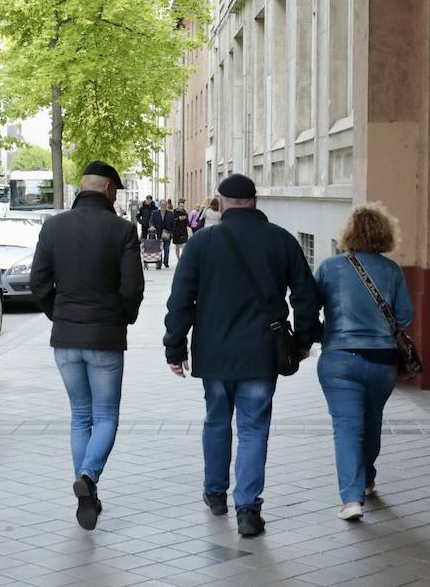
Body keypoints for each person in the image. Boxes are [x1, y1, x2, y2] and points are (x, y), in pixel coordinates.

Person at [163, 174, 319, 537]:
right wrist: (304, 339)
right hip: (262, 353)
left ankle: (216, 493)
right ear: (255, 200)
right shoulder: (281, 240)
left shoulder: (202, 243)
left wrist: (175, 347)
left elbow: (180, 300)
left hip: (215, 353)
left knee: (216, 419)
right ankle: (248, 509)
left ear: (220, 202)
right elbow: (306, 295)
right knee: (253, 428)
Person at [29, 160, 144, 531]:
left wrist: (57, 315)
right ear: (109, 189)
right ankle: (89, 478)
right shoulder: (123, 229)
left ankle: (88, 495)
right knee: (106, 415)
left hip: (65, 338)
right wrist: (122, 317)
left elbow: (38, 283)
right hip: (105, 338)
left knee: (81, 414)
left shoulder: (52, 227)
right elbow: (133, 288)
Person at [311, 203, 414, 521]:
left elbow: (309, 306)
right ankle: (368, 478)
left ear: (349, 233)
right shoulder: (392, 270)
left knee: (346, 427)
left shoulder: (330, 267)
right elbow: (405, 316)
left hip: (339, 359)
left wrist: (318, 335)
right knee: (372, 422)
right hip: (382, 361)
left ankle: (351, 499)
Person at [149, 199, 175, 269]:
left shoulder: (171, 214)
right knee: (158, 249)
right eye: (162, 204)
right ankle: (159, 263)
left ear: (166, 205)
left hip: (167, 234)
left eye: (164, 205)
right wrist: (151, 226)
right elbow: (151, 221)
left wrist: (171, 233)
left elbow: (173, 224)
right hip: (158, 233)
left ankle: (166, 262)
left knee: (166, 249)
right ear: (160, 205)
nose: (163, 206)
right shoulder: (155, 213)